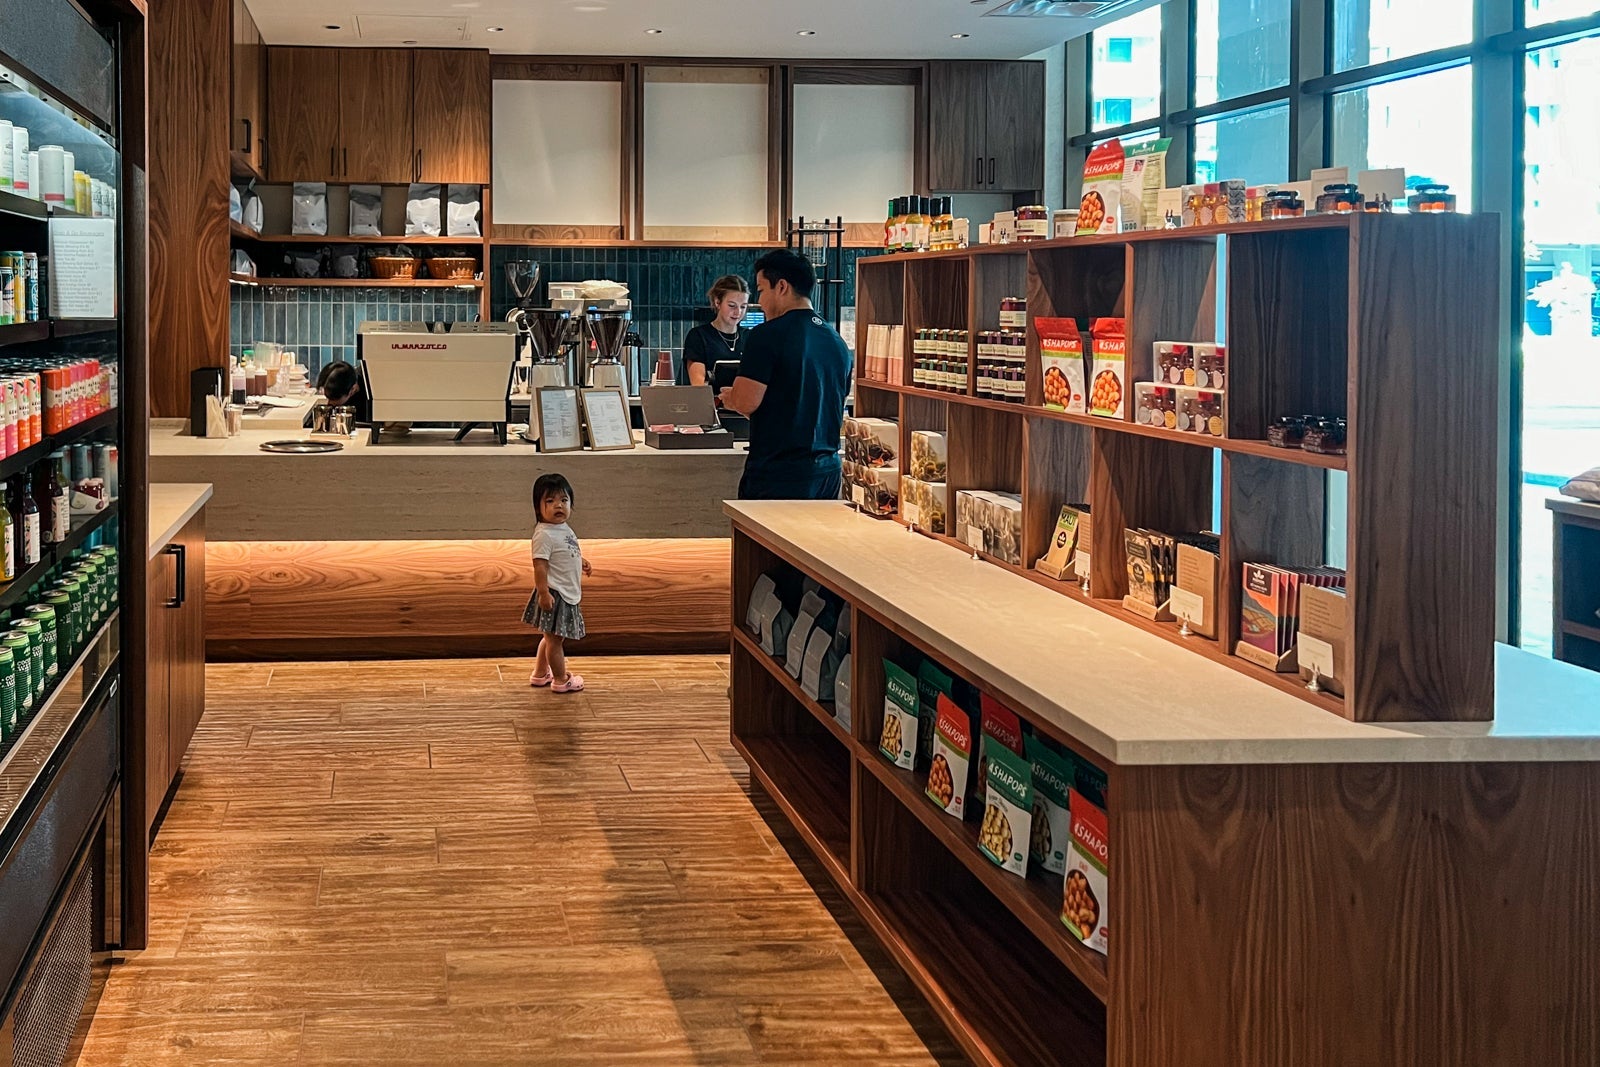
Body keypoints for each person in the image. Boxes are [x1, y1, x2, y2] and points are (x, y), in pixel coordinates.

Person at [718, 250, 851, 500]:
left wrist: (730, 398)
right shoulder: (837, 342)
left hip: (779, 473)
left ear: (781, 287)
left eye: (761, 290)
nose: (760, 301)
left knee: (762, 529)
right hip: (828, 472)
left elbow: (746, 402)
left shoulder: (766, 335)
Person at [523, 472, 592, 693]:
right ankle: (561, 679)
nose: (558, 505)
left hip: (563, 591)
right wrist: (543, 593)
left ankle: (540, 673)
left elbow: (563, 552)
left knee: (550, 636)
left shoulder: (562, 528)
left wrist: (580, 560)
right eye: (550, 501)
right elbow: (540, 566)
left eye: (564, 500)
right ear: (538, 507)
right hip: (555, 593)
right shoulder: (544, 534)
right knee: (554, 640)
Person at [678, 275, 749, 387]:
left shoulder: (750, 337)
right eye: (732, 306)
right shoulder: (699, 336)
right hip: (710, 398)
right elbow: (698, 386)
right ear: (717, 302)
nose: (738, 312)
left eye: (743, 307)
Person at [302, 360, 373, 429]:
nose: (329, 402)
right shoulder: (345, 380)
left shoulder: (369, 393)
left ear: (353, 390)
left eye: (333, 399)